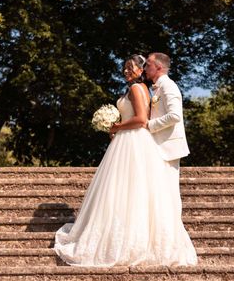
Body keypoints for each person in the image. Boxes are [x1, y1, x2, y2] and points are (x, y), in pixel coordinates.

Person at [53, 55, 197, 267]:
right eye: (125, 67)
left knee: (126, 190)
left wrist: (117, 127)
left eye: (132, 67)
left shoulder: (141, 89)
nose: (127, 71)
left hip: (135, 141)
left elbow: (141, 119)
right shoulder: (145, 89)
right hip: (131, 141)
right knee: (125, 191)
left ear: (142, 70)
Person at [143, 52, 189, 215]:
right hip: (159, 145)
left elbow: (175, 115)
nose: (145, 68)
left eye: (148, 64)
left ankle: (173, 228)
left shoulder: (168, 86)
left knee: (169, 190)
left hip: (168, 148)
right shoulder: (157, 88)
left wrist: (149, 125)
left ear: (159, 67)